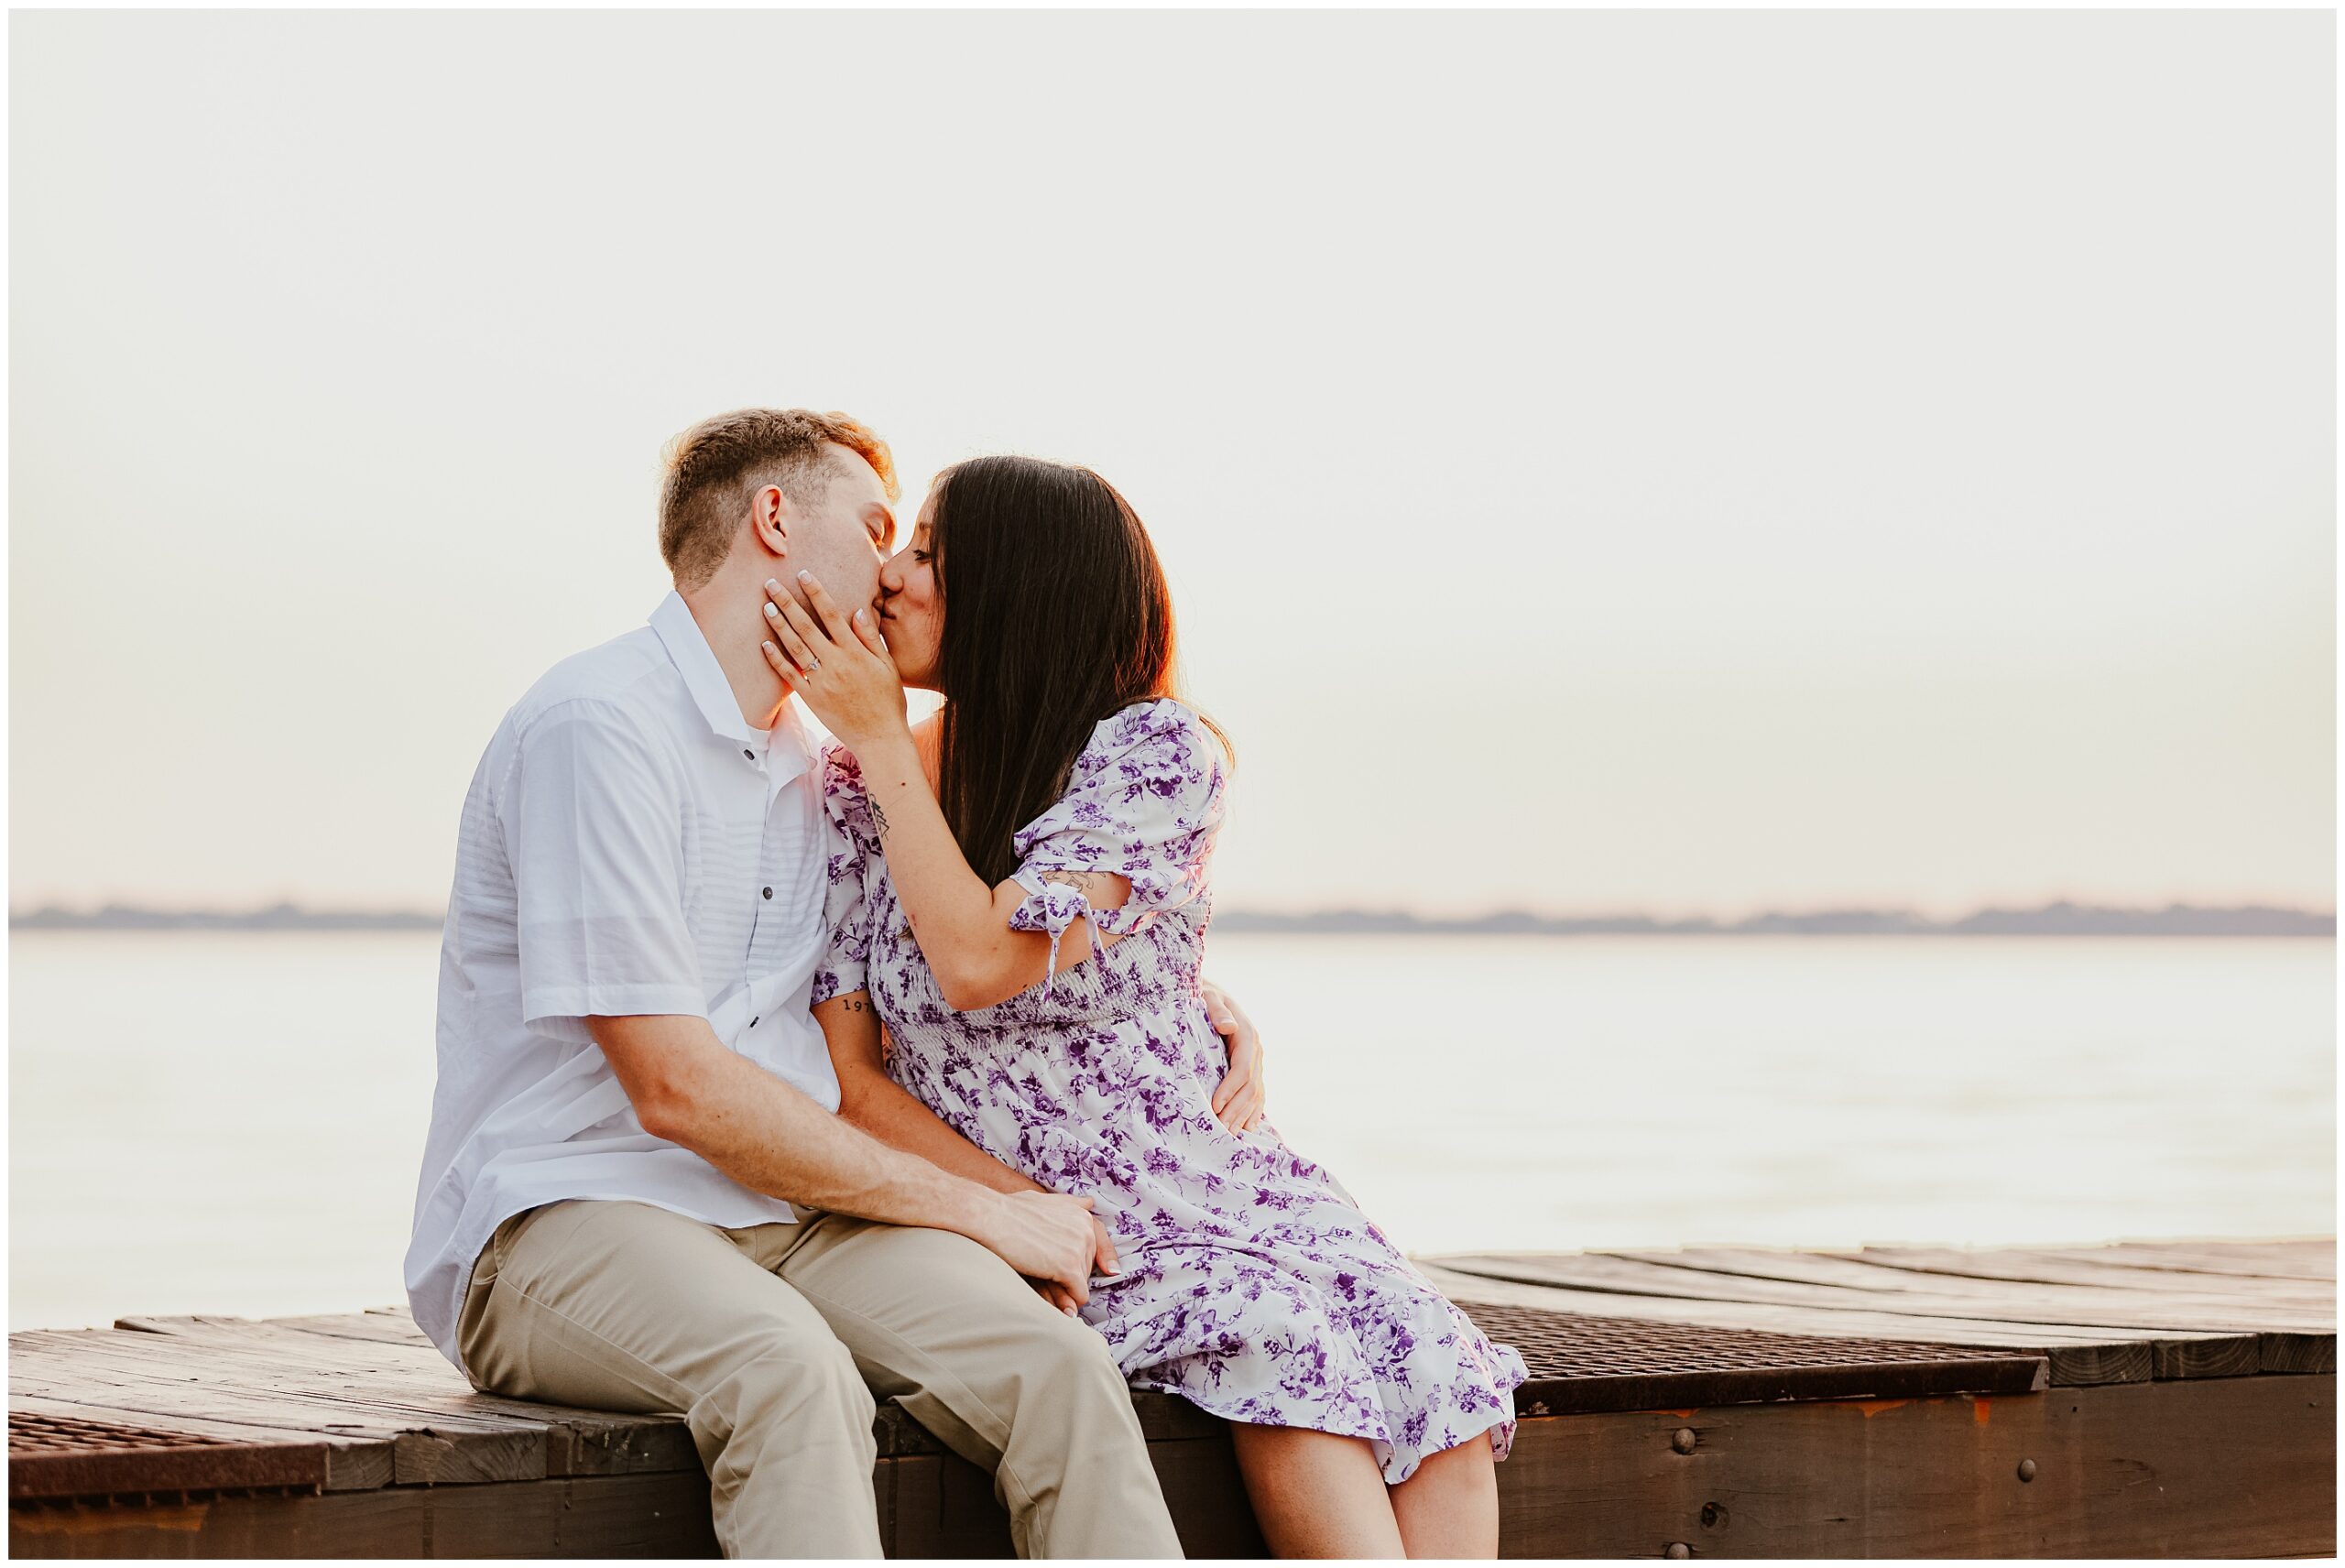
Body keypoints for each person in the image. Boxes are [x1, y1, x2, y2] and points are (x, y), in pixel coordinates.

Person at [405, 408, 1274, 1559]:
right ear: (776, 519)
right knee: (786, 1370)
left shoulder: (829, 770)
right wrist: (984, 1210)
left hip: (786, 1210)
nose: (903, 570)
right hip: (568, 1211)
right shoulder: (599, 727)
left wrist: (1206, 1008)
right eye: (881, 529)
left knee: (1055, 1364)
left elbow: (964, 954)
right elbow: (675, 1090)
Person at [762, 453, 1530, 1559]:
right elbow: (857, 1074)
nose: (889, 575)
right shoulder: (852, 789)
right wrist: (1017, 1211)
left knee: (1429, 1363)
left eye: (929, 551)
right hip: (1025, 1204)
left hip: (1204, 1169)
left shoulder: (1152, 755)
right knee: (1277, 1339)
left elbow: (992, 953)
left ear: (1022, 589)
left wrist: (879, 737)